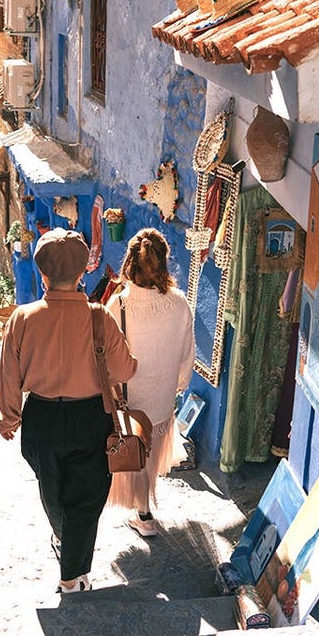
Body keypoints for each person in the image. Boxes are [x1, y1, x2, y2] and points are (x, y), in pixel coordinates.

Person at [0, 228, 138, 594]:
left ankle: (64, 542)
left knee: (52, 490)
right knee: (86, 499)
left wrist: (9, 417)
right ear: (83, 272)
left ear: (43, 274)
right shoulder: (99, 317)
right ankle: (72, 576)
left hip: (41, 419)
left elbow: (9, 375)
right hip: (91, 418)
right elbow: (124, 371)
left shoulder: (22, 318)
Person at [104, 228, 195, 537]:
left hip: (130, 399)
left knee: (136, 453)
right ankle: (143, 511)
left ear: (130, 261)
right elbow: (187, 352)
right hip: (161, 398)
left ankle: (143, 515)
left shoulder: (118, 305)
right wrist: (178, 383)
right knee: (150, 456)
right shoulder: (179, 302)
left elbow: (107, 354)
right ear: (163, 261)